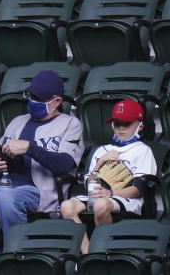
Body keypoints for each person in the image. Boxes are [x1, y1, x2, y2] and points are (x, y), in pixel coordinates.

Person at [0, 70, 84, 237]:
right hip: (3, 186)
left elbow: (65, 165)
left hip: (39, 191)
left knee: (8, 200)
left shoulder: (70, 123)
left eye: (40, 99)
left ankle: (13, 254)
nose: (34, 101)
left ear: (57, 101)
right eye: (32, 96)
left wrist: (30, 148)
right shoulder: (18, 121)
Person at [60, 98, 157, 254]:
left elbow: (139, 189)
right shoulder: (101, 150)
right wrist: (100, 163)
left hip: (127, 199)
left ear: (140, 126)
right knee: (66, 206)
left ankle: (103, 251)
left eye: (127, 124)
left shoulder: (143, 151)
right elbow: (89, 185)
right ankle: (89, 254)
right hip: (98, 194)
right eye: (117, 123)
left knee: (101, 205)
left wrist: (110, 193)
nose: (121, 128)